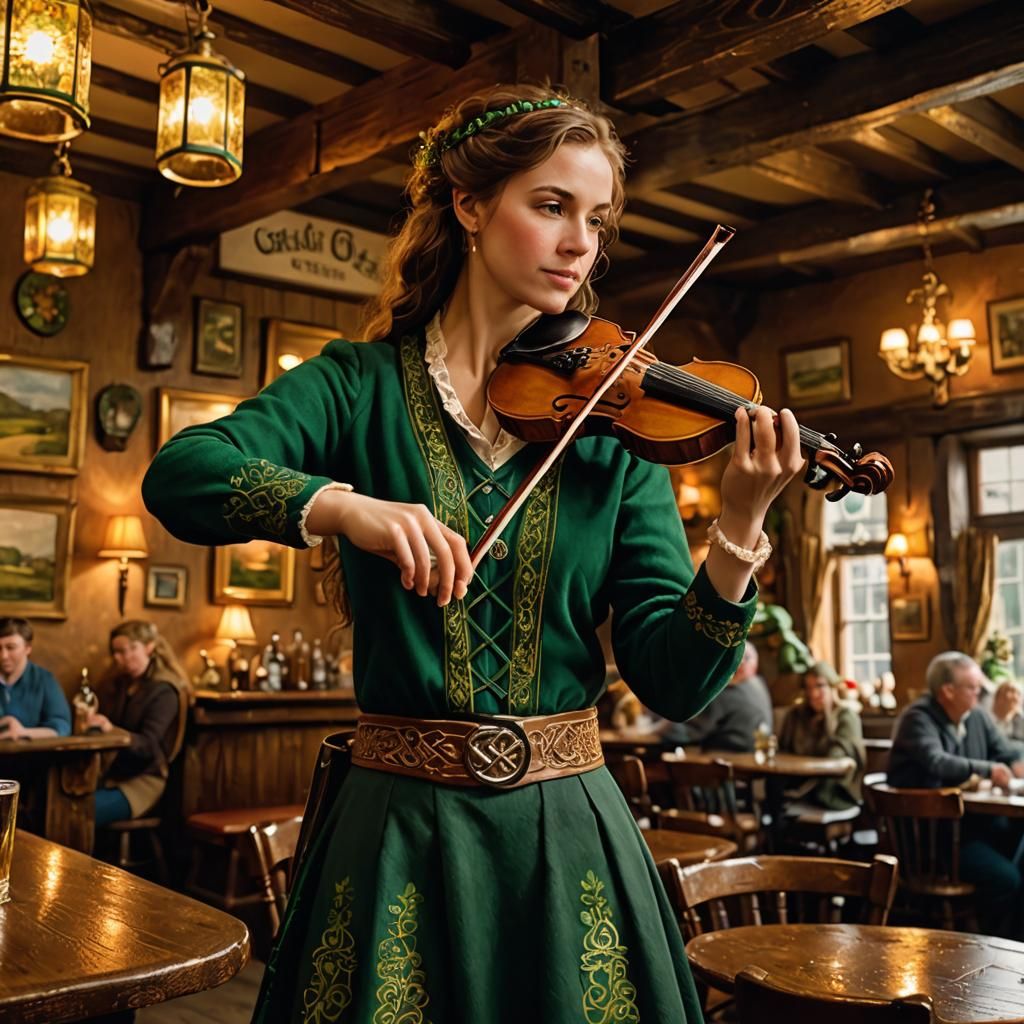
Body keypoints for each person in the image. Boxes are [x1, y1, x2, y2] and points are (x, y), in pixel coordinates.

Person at [143, 84, 803, 1023]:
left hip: (566, 836)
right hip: (396, 832)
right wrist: (342, 506)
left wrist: (737, 530)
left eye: (598, 219)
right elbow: (182, 473)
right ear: (468, 205)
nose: (583, 243)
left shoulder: (615, 422)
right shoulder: (356, 386)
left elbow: (674, 681)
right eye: (551, 206)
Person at [888, 651, 1024, 938]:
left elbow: (1007, 751)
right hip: (934, 843)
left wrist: (1014, 761)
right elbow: (937, 761)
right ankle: (998, 943)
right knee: (1008, 879)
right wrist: (990, 769)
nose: (980, 694)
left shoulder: (976, 717)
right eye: (973, 688)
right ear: (947, 691)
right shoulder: (917, 719)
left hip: (973, 827)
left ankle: (1006, 936)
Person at [87, 621, 190, 828]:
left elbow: (148, 747)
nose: (118, 658)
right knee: (59, 803)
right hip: (114, 775)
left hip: (145, 781)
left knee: (82, 811)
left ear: (148, 647)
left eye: (124, 651)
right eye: (115, 652)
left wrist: (110, 729)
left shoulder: (164, 691)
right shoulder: (122, 683)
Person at [656, 640, 773, 752]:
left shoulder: (728, 690)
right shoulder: (759, 685)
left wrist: (650, 731)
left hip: (727, 763)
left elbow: (682, 731)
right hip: (754, 761)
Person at [778, 661, 865, 809]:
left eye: (819, 686)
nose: (813, 694)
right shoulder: (796, 715)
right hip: (796, 784)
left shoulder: (846, 717)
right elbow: (783, 751)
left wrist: (828, 718)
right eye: (809, 688)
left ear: (832, 687)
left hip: (832, 791)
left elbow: (838, 757)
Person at [0, 616, 71, 739]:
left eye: (11, 648)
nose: (3, 656)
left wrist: (23, 732)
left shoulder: (44, 679)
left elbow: (62, 726)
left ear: (27, 648)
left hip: (32, 755)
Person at [992, 678, 1024, 746]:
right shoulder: (988, 719)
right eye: (1011, 691)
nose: (1016, 697)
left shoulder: (1020, 721)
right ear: (999, 697)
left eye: (1019, 694)